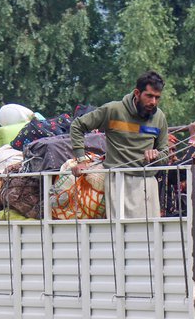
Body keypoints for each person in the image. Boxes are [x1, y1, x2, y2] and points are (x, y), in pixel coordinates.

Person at [70, 70, 169, 218]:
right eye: (149, 96)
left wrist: (156, 155)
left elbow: (166, 154)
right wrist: (81, 160)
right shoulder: (113, 110)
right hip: (119, 180)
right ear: (137, 93)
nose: (153, 102)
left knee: (151, 236)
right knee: (123, 235)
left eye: (157, 98)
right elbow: (77, 126)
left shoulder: (159, 117)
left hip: (148, 183)